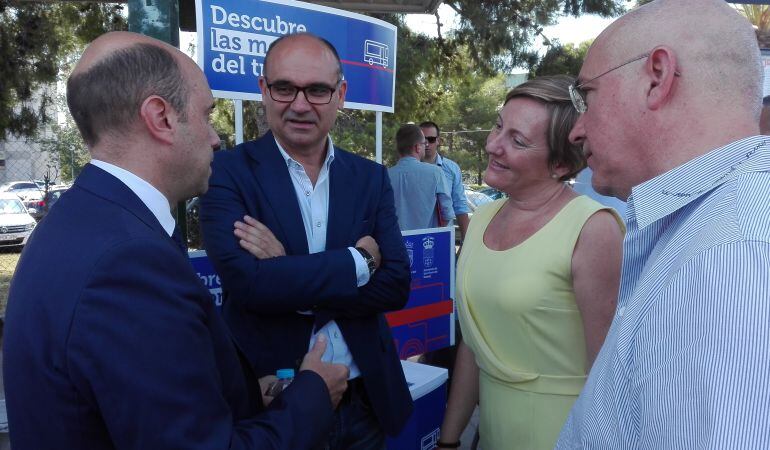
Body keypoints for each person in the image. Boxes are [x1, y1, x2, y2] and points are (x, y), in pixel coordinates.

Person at [2, 31, 349, 450]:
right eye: (206, 115)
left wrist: (241, 394)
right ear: (161, 117)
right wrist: (313, 393)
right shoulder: (127, 263)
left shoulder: (82, 221)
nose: (216, 138)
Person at [556, 0, 770, 447]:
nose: (576, 129)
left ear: (656, 77)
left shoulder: (733, 258)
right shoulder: (712, 231)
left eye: (585, 96)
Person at [199, 32, 413, 449]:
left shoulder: (369, 177)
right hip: (273, 400)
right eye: (284, 88)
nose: (299, 105)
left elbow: (397, 284)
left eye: (316, 90)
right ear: (263, 89)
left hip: (363, 399)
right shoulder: (226, 172)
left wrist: (286, 266)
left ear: (340, 94)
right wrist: (357, 264)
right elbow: (249, 284)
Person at [436, 75, 624, 450]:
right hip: (490, 433)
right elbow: (475, 346)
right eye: (498, 127)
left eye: (517, 140)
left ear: (559, 164)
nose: (493, 145)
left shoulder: (593, 230)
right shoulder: (482, 220)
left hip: (562, 433)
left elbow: (608, 374)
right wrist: (449, 439)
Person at [388, 124, 455, 230]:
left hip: (395, 241)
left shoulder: (386, 176)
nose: (426, 145)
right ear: (417, 147)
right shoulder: (436, 173)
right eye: (424, 143)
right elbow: (447, 213)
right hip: (427, 242)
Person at [419, 121, 471, 241]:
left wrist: (465, 241)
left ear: (438, 141)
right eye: (422, 139)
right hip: (415, 235)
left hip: (443, 236)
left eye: (431, 139)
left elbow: (460, 205)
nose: (426, 143)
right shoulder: (408, 171)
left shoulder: (451, 168)